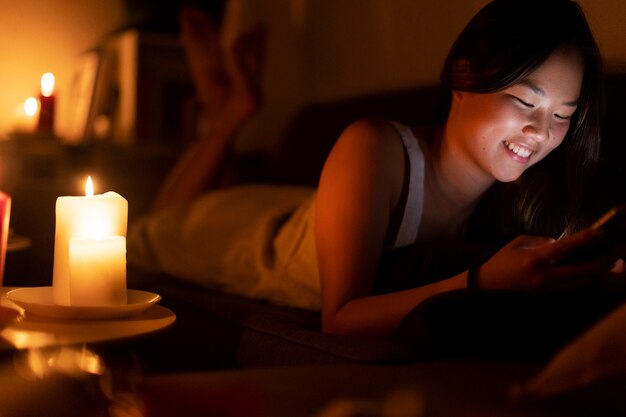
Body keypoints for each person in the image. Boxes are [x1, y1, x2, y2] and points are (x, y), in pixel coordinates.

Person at [128, 0, 623, 339]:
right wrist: (479, 281)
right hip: (257, 238)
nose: (541, 132)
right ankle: (226, 115)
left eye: (562, 116)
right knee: (155, 226)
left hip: (303, 209)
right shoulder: (375, 148)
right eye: (523, 100)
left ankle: (228, 112)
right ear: (464, 76)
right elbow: (340, 320)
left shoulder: (521, 197)